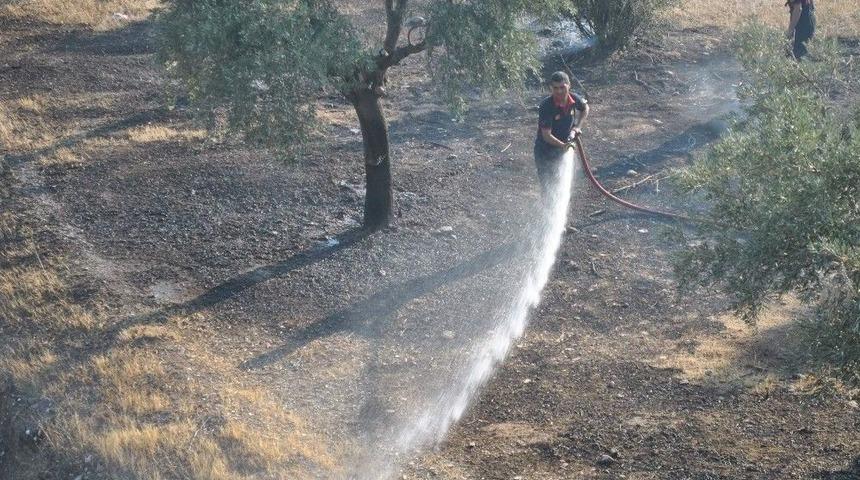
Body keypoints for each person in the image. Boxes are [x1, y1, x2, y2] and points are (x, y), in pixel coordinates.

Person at [533, 71, 589, 194]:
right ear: (550, 88)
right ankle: (548, 211)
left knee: (561, 183)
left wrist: (577, 127)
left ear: (569, 85)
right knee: (548, 187)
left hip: (563, 147)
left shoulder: (574, 99)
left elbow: (585, 109)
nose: (559, 91)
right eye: (555, 88)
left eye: (562, 87)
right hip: (545, 151)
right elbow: (546, 136)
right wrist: (564, 145)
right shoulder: (546, 106)